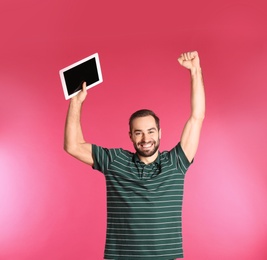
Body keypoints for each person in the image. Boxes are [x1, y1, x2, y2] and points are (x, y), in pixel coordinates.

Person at [64, 51, 205, 260]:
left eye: (150, 131)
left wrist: (195, 71)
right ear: (130, 135)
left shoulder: (176, 162)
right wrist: (76, 102)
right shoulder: (115, 161)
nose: (145, 138)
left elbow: (197, 117)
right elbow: (73, 145)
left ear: (160, 133)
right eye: (138, 132)